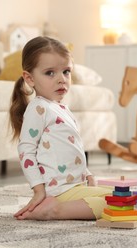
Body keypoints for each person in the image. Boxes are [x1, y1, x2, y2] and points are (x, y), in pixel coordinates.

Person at [9, 36, 112, 220]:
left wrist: (86, 173)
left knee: (123, 194)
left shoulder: (61, 108)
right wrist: (39, 190)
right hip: (59, 190)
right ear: (29, 78)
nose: (61, 79)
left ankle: (64, 206)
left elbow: (70, 149)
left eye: (66, 71)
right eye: (50, 73)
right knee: (122, 201)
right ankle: (55, 210)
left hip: (74, 186)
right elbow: (26, 151)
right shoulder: (38, 108)